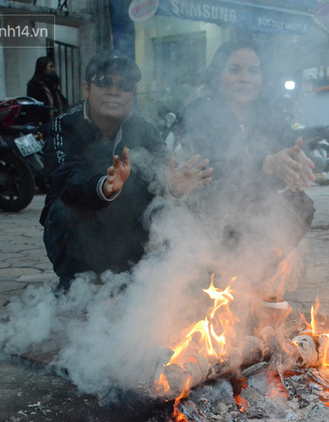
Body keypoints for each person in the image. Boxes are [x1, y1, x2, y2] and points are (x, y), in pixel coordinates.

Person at [41, 50, 212, 292]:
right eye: (104, 81)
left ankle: (141, 277)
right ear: (86, 89)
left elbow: (163, 169)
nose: (115, 90)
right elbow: (64, 177)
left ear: (132, 95)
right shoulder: (66, 125)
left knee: (168, 206)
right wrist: (103, 186)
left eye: (125, 85)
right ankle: (75, 283)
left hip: (128, 234)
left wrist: (173, 186)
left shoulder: (144, 129)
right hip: (79, 233)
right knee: (63, 206)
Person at [179, 40, 316, 290]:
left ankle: (248, 282)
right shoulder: (199, 112)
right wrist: (263, 164)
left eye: (254, 71)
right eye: (235, 70)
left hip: (256, 207)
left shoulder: (270, 115)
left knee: (300, 205)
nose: (245, 78)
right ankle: (213, 282)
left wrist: (294, 159)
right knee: (210, 206)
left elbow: (286, 152)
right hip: (212, 210)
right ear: (218, 75)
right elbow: (206, 167)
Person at [27, 57, 69, 122]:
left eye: (54, 67)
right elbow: (33, 107)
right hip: (43, 123)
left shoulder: (52, 86)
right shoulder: (35, 85)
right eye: (51, 67)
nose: (53, 69)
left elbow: (62, 102)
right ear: (43, 68)